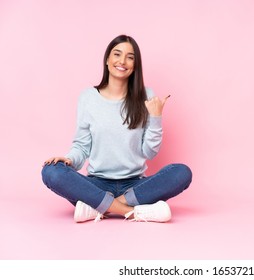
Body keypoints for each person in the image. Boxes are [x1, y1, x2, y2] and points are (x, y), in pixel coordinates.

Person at [41, 35, 192, 223]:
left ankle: (99, 207)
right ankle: (133, 212)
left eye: (130, 57)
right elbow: (82, 146)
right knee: (51, 171)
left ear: (135, 65)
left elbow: (149, 153)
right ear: (107, 59)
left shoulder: (146, 96)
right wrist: (69, 160)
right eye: (117, 54)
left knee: (181, 173)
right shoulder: (88, 97)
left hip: (135, 186)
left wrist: (155, 118)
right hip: (96, 183)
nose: (122, 61)